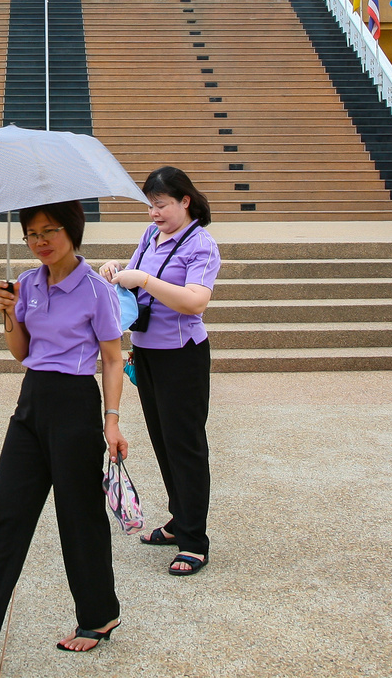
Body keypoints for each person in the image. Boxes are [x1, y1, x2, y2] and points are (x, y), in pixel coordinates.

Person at [0, 200, 125, 660]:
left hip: (75, 405)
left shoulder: (97, 290)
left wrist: (112, 421)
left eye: (49, 231)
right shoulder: (27, 283)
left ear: (72, 231)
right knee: (6, 511)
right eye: (31, 234)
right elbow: (22, 353)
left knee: (79, 517)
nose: (40, 242)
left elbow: (114, 358)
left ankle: (99, 614)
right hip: (31, 400)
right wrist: (9, 313)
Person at [98, 167, 220, 576]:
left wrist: (146, 279)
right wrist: (115, 273)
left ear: (185, 201)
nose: (154, 213)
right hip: (147, 352)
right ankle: (177, 520)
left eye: (162, 205)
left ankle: (194, 540)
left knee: (185, 445)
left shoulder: (201, 244)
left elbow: (195, 302)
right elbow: (132, 282)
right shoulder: (150, 236)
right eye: (150, 205)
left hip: (182, 355)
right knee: (164, 441)